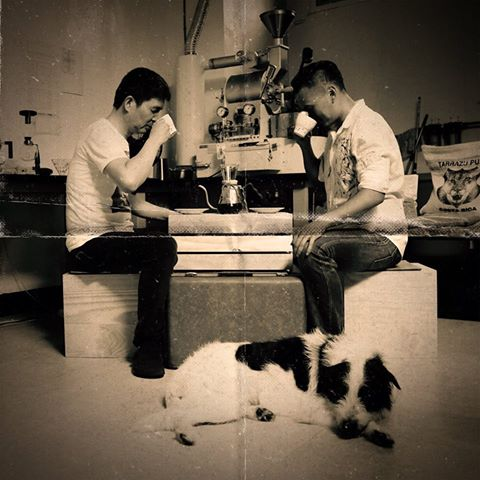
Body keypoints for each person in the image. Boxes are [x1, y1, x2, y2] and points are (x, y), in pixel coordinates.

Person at [65, 67, 178, 379]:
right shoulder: (100, 134)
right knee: (161, 247)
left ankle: (164, 335)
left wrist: (180, 218)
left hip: (113, 238)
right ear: (129, 103)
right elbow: (129, 180)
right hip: (89, 243)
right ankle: (149, 346)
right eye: (153, 111)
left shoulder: (122, 143)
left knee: (165, 239)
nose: (155, 120)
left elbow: (137, 205)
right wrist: (157, 138)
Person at [291, 60, 407, 335]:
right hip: (351, 232)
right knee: (295, 241)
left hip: (381, 237)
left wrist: (323, 222)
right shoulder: (335, 134)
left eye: (310, 108)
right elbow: (316, 180)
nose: (309, 115)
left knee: (315, 250)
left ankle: (333, 343)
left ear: (331, 92)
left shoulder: (368, 124)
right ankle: (314, 335)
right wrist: (303, 144)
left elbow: (374, 193)